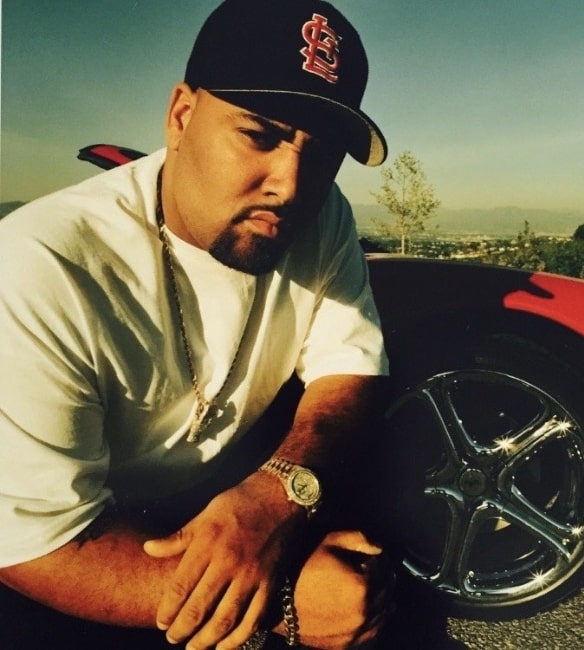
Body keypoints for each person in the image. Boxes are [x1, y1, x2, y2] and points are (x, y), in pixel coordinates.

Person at [0, 0, 395, 648]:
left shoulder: (323, 219)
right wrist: (279, 601)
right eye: (260, 134)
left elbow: (350, 367)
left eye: (320, 154)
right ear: (181, 115)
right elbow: (29, 547)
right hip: (93, 543)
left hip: (230, 499)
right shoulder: (39, 267)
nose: (291, 184)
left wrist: (279, 498)